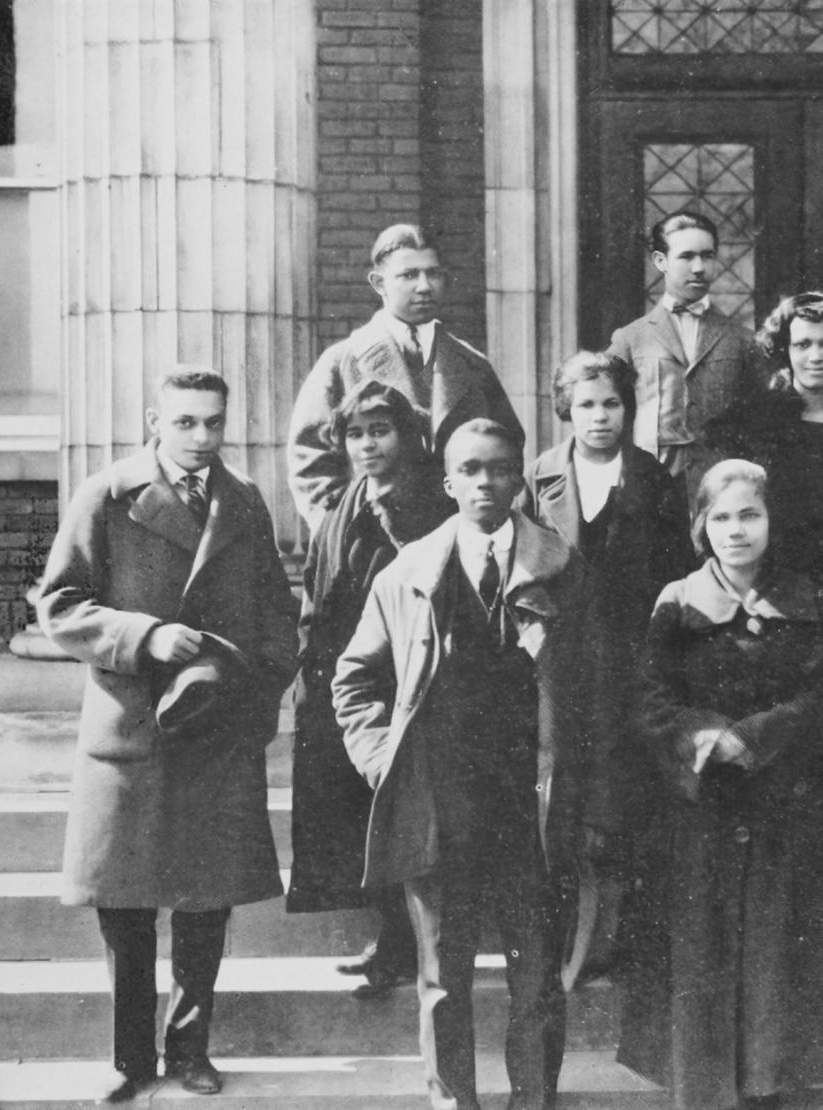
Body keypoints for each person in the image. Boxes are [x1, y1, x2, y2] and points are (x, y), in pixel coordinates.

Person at [37, 368, 298, 1101]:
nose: (202, 438)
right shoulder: (107, 494)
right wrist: (143, 635)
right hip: (130, 731)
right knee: (124, 907)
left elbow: (277, 614)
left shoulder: (241, 501)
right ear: (155, 420)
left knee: (204, 900)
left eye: (214, 422)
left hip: (213, 729)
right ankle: (130, 1062)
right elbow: (57, 603)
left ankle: (190, 1051)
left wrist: (253, 688)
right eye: (185, 422)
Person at [332, 419, 588, 1110]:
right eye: (470, 470)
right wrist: (383, 760)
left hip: (528, 807)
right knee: (444, 978)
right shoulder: (408, 573)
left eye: (500, 469)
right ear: (448, 483)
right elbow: (353, 679)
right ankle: (454, 1103)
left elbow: (593, 690)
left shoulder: (561, 567)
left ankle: (534, 1101)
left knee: (537, 977)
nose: (485, 483)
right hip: (439, 807)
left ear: (520, 480)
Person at [617, 459, 823, 1110]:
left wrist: (754, 737)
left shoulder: (808, 602)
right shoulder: (677, 603)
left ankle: (768, 1086)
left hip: (783, 806)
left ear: (772, 521)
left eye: (749, 514)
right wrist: (701, 734)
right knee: (704, 950)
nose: (736, 530)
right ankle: (705, 1092)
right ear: (701, 526)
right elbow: (648, 698)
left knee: (775, 953)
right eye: (720, 518)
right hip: (703, 812)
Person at [515, 350, 693, 984]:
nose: (599, 417)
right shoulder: (540, 478)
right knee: (561, 790)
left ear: (628, 407)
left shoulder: (654, 481)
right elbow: (521, 570)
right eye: (586, 404)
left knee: (623, 797)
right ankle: (566, 938)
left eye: (611, 403)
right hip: (561, 666)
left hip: (631, 661)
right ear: (566, 409)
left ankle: (620, 940)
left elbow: (677, 576)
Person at [286, 380, 451, 997]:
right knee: (355, 816)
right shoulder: (343, 504)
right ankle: (389, 940)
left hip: (404, 682)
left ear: (406, 436)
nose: (367, 444)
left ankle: (412, 949)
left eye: (380, 431)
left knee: (404, 813)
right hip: (343, 684)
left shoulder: (429, 503)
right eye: (355, 433)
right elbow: (316, 590)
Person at [288, 222, 524, 534]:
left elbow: (509, 447)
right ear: (379, 283)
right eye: (409, 275)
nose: (425, 286)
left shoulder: (473, 365)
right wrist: (343, 536)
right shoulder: (342, 362)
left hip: (457, 543)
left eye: (434, 273)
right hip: (371, 547)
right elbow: (310, 462)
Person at [707, 292, 823, 587]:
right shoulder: (754, 425)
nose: (816, 357)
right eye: (803, 345)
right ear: (786, 350)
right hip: (778, 581)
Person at [607, 210, 767, 500]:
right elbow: (606, 407)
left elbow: (759, 421)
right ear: (660, 261)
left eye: (707, 256)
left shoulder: (742, 340)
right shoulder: (630, 338)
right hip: (652, 485)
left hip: (720, 486)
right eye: (686, 256)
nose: (699, 267)